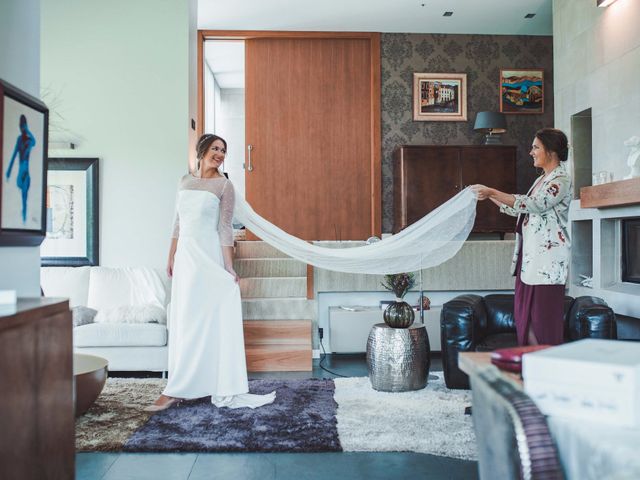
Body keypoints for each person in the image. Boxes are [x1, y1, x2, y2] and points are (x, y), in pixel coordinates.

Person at [147, 134, 276, 411]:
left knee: (207, 318)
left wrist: (228, 266)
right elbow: (177, 224)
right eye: (215, 148)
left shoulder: (224, 185)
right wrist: (170, 256)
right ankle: (183, 385)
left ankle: (196, 385)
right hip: (186, 259)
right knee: (186, 318)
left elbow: (225, 228)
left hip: (209, 257)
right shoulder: (184, 181)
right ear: (202, 150)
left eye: (223, 150)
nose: (220, 154)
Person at [471, 128, 572, 346]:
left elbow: (535, 204)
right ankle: (530, 370)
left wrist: (492, 191)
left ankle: (544, 372)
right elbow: (520, 209)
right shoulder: (542, 180)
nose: (531, 152)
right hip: (530, 263)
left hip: (547, 266)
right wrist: (489, 197)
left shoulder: (561, 180)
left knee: (542, 323)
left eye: (536, 147)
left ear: (551, 150)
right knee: (525, 319)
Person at [5, 114, 35, 223]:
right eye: (21, 126)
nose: (22, 128)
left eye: (23, 126)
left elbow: (35, 142)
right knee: (23, 197)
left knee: (25, 199)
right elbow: (14, 155)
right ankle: (23, 219)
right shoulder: (19, 140)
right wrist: (8, 172)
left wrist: (28, 130)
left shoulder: (29, 140)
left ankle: (24, 218)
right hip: (21, 171)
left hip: (26, 171)